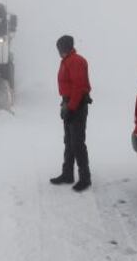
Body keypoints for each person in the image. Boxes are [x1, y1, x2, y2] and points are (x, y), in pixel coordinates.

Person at [50, 35, 92, 192]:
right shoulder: (67, 60)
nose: (59, 51)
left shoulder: (76, 61)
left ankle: (85, 178)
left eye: (60, 48)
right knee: (68, 141)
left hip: (77, 105)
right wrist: (65, 105)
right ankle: (67, 174)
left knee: (77, 143)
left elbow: (79, 87)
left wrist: (72, 108)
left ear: (66, 47)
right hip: (69, 103)